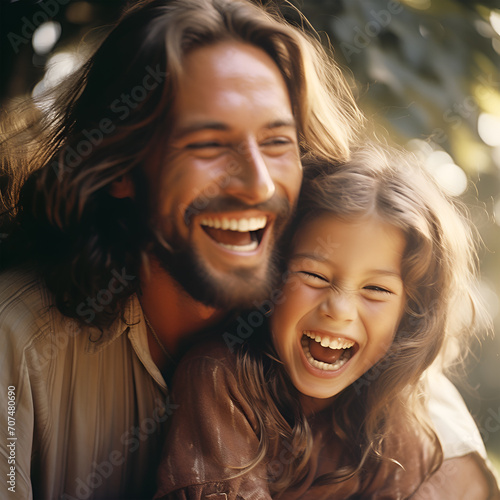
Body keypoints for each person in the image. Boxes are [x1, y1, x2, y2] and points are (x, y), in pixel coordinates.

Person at [0, 0, 492, 499]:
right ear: (121, 169)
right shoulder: (17, 346)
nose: (257, 184)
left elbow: (420, 410)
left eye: (277, 142)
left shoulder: (313, 312)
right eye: (209, 144)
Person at [154, 143, 500, 499]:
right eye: (315, 276)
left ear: (409, 316)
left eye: (377, 289)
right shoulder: (220, 378)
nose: (340, 309)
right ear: (271, 276)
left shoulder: (396, 422)